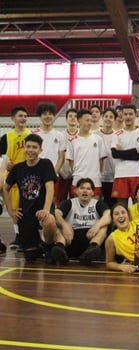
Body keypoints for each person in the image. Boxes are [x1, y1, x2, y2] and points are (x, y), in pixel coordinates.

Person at [3, 134, 57, 261]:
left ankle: (49, 246)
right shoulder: (18, 168)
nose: (31, 150)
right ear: (24, 148)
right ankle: (39, 245)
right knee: (30, 257)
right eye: (28, 147)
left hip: (42, 209)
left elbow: (50, 187)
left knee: (49, 221)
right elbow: (5, 188)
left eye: (34, 147)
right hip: (26, 213)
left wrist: (46, 209)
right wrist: (11, 211)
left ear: (40, 150)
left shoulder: (46, 164)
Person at [52, 178, 111, 265]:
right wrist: (64, 225)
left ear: (92, 192)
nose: (85, 191)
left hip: (90, 238)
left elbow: (108, 215)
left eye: (88, 189)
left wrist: (97, 226)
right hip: (70, 238)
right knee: (58, 224)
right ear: (76, 191)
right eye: (82, 188)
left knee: (104, 226)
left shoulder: (97, 203)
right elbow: (56, 213)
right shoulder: (69, 203)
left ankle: (92, 249)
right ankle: (60, 248)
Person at [0, 106, 30, 250]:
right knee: (14, 208)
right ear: (13, 118)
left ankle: (30, 237)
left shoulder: (30, 135)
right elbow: (1, 157)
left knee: (28, 208)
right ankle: (17, 236)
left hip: (28, 175)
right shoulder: (6, 137)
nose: (23, 118)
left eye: (25, 116)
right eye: (20, 115)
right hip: (12, 176)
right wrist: (6, 164)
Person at [111, 103, 139, 206]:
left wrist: (122, 153)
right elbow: (115, 154)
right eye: (125, 114)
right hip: (121, 174)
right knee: (121, 205)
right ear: (122, 116)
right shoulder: (117, 134)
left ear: (135, 115)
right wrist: (135, 151)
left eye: (130, 114)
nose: (128, 116)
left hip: (137, 174)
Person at [66, 109, 107, 199]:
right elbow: (70, 161)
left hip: (95, 180)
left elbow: (101, 160)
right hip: (78, 179)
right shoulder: (72, 140)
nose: (89, 123)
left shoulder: (98, 139)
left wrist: (97, 174)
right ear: (79, 120)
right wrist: (78, 173)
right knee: (77, 209)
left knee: (94, 209)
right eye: (87, 120)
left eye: (91, 121)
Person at [32, 102, 66, 200]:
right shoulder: (33, 133)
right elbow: (29, 154)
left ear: (54, 116)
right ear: (40, 116)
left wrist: (53, 173)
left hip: (53, 176)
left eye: (50, 114)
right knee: (35, 201)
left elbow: (61, 158)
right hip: (35, 174)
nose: (48, 116)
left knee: (51, 203)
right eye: (45, 114)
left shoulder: (59, 135)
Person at [93, 108, 116, 208]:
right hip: (97, 176)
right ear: (102, 118)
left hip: (113, 177)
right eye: (106, 116)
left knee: (111, 204)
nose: (108, 119)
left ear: (114, 119)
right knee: (97, 204)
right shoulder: (94, 135)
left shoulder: (117, 135)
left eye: (111, 117)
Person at [57, 108, 79, 205]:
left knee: (76, 200)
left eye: (75, 116)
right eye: (70, 116)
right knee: (61, 200)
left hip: (77, 173)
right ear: (66, 119)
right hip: (62, 173)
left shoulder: (82, 135)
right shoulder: (60, 135)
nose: (73, 118)